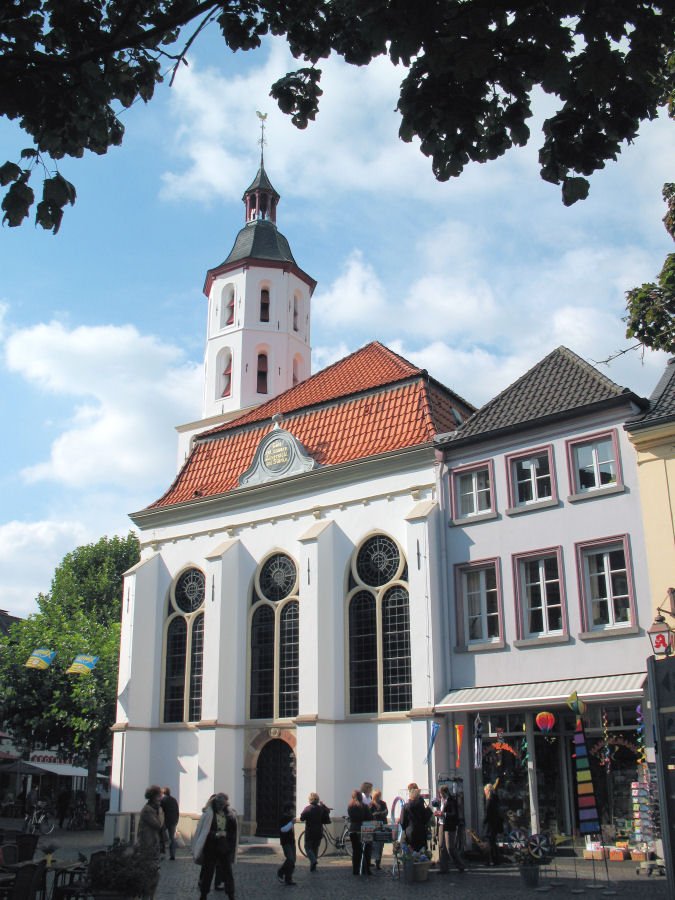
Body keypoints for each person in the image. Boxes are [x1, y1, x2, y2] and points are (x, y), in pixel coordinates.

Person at [193, 793, 238, 899]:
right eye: (219, 804)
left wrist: (227, 835)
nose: (220, 806)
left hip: (224, 848)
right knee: (208, 873)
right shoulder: (209, 814)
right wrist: (216, 834)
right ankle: (203, 894)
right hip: (211, 848)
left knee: (228, 873)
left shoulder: (229, 815)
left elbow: (232, 832)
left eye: (223, 805)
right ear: (215, 803)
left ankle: (231, 894)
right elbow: (204, 831)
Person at [135, 785, 164, 899]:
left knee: (154, 875)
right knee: (149, 875)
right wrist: (161, 813)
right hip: (147, 846)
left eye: (160, 796)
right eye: (158, 796)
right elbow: (158, 825)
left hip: (153, 846)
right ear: (152, 797)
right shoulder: (148, 811)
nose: (160, 798)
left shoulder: (154, 810)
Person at [436, 785, 466, 873]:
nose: (440, 795)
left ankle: (460, 865)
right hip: (442, 824)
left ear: (445, 793)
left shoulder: (451, 800)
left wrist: (443, 814)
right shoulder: (441, 801)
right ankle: (443, 868)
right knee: (441, 846)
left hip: (449, 825)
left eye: (441, 794)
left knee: (450, 847)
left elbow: (453, 814)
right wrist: (439, 813)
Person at [299, 793, 330, 872]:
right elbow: (327, 811)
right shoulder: (321, 808)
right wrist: (323, 805)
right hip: (319, 831)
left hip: (310, 831)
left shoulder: (307, 809)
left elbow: (302, 818)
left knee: (308, 848)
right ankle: (313, 867)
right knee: (315, 848)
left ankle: (313, 861)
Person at [347, 790, 372, 876]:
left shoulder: (350, 807)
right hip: (363, 829)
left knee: (355, 851)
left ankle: (355, 869)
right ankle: (365, 869)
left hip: (353, 830)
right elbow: (369, 818)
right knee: (365, 851)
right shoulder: (364, 807)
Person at [400, 787, 432, 851]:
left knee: (410, 853)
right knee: (421, 854)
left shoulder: (405, 807)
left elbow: (402, 822)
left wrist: (405, 828)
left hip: (409, 832)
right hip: (421, 832)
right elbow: (426, 820)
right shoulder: (421, 806)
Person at [277, 801, 297, 886]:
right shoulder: (283, 818)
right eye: (292, 809)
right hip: (285, 842)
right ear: (288, 810)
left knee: (293, 861)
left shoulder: (291, 818)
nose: (293, 811)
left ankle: (288, 878)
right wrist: (291, 823)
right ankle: (281, 872)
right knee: (290, 859)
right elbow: (283, 830)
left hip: (291, 841)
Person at [483, 783, 502, 866]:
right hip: (495, 823)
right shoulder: (495, 800)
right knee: (493, 842)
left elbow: (487, 813)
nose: (484, 792)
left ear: (487, 791)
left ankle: (489, 860)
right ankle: (496, 860)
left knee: (489, 843)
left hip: (490, 824)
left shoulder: (489, 800)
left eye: (485, 790)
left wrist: (484, 821)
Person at [369, 790, 388, 871]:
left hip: (382, 826)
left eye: (379, 796)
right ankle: (369, 861)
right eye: (376, 796)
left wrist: (378, 814)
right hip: (373, 827)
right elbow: (371, 814)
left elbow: (386, 812)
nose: (378, 798)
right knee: (372, 844)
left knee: (380, 845)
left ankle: (378, 862)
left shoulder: (383, 803)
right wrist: (380, 813)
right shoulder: (370, 805)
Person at [161, 786, 180, 861]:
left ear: (163, 793)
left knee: (160, 835)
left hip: (165, 821)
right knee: (172, 837)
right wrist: (176, 820)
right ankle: (172, 855)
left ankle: (162, 852)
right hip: (173, 820)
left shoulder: (163, 800)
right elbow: (177, 810)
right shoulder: (174, 800)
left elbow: (160, 810)